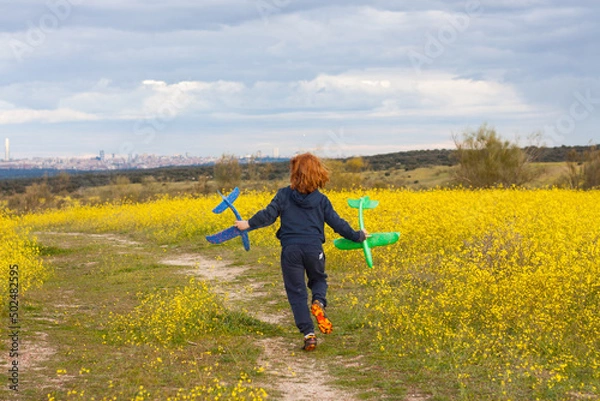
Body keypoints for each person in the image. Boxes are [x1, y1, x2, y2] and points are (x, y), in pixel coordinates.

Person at [235, 153, 366, 351]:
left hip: (291, 251)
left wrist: (248, 224)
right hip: (314, 249)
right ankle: (319, 302)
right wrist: (358, 236)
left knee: (296, 293)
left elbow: (268, 215)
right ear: (318, 173)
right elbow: (338, 224)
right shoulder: (322, 201)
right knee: (319, 280)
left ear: (294, 174)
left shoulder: (283, 195)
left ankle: (309, 335)